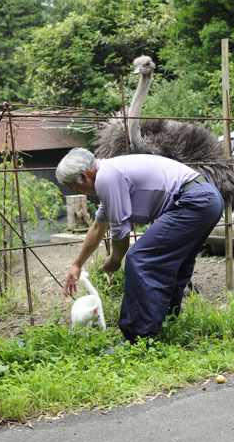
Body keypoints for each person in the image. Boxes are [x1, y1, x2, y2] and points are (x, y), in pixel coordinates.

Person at [56, 147, 224, 346]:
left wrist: (115, 260)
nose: (77, 192)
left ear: (84, 177)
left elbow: (120, 232)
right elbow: (98, 226)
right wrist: (77, 265)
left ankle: (135, 340)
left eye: (74, 187)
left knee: (139, 259)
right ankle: (166, 325)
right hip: (207, 198)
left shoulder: (107, 178)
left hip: (194, 200)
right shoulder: (110, 174)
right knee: (175, 265)